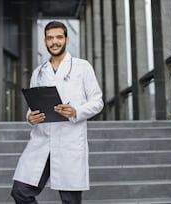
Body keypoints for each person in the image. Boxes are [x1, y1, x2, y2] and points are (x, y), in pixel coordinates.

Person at [11, 21, 104, 204]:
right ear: (45, 41)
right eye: (50, 38)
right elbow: (33, 105)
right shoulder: (38, 72)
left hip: (69, 141)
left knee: (70, 201)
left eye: (59, 37)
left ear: (66, 39)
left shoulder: (82, 67)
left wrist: (76, 111)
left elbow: (97, 101)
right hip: (42, 141)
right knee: (20, 192)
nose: (55, 42)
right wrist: (30, 117)